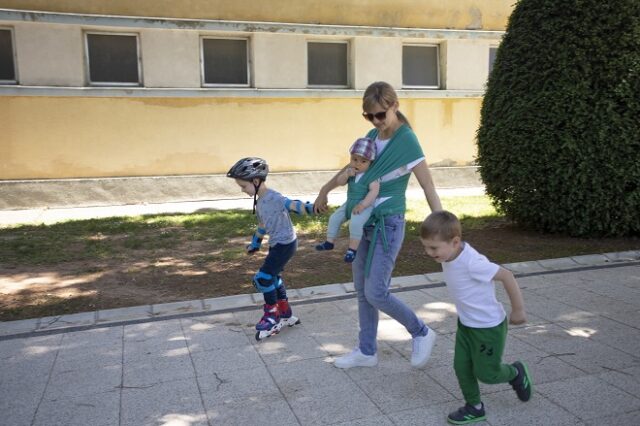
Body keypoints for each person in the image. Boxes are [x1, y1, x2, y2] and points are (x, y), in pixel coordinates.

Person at [314, 81, 443, 369]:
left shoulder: (407, 141)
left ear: (394, 106)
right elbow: (355, 166)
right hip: (365, 223)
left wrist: (442, 225)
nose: (375, 121)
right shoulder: (372, 135)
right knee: (362, 290)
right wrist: (325, 190)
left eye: (380, 115)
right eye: (368, 116)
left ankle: (421, 331)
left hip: (389, 223)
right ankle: (366, 351)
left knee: (376, 292)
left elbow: (427, 184)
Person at [420, 210, 533, 425]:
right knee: (461, 367)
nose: (428, 252)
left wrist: (518, 310)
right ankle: (475, 407)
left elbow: (506, 276)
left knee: (487, 374)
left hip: (488, 328)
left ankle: (515, 373)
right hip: (466, 325)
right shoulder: (449, 251)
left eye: (433, 248)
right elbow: (439, 214)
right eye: (425, 246)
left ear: (455, 242)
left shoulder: (473, 262)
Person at [227, 157, 313, 340]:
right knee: (274, 278)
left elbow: (292, 205)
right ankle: (286, 313)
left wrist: (311, 208)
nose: (243, 190)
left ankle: (272, 316)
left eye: (244, 186)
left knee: (262, 279)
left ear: (256, 181)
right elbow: (263, 225)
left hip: (286, 244)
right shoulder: (260, 203)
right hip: (278, 244)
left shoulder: (274, 197)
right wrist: (255, 243)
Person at [315, 137, 380, 263]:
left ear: (370, 162)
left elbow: (374, 192)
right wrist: (345, 175)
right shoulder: (350, 172)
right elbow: (340, 182)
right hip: (349, 202)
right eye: (354, 159)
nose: (357, 163)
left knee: (355, 223)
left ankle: (352, 250)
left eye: (363, 161)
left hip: (363, 205)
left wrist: (363, 205)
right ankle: (330, 241)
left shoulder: (371, 176)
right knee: (334, 217)